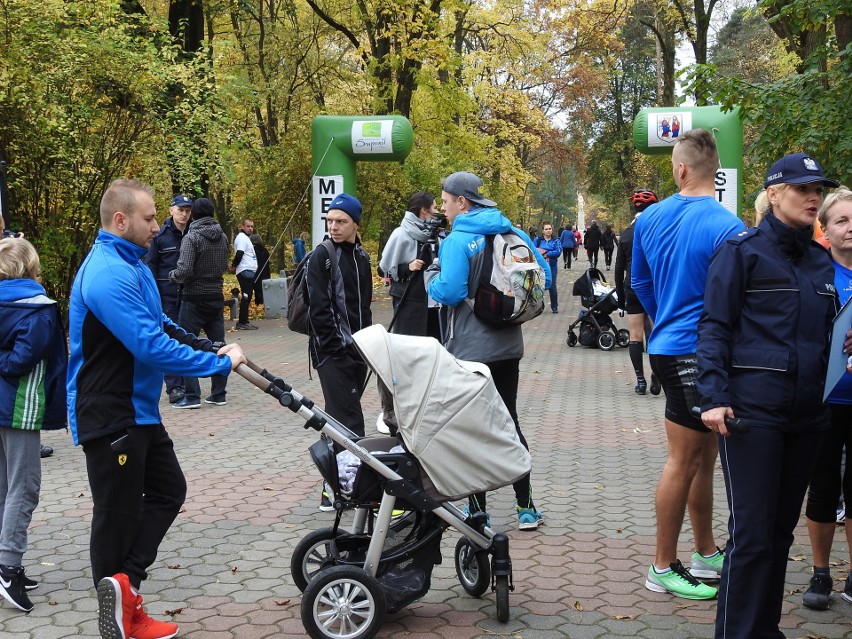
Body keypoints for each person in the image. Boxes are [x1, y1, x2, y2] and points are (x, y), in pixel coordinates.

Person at [67, 179, 246, 639]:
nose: (158, 225)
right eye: (149, 218)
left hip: (138, 410)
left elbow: (162, 323)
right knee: (116, 513)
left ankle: (124, 589)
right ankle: (118, 614)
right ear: (120, 220)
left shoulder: (134, 264)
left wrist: (210, 345)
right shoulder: (107, 272)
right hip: (109, 411)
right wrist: (214, 363)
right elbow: (149, 346)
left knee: (168, 490)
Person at [697, 154, 839, 638]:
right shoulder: (741, 251)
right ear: (774, 194)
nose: (813, 197)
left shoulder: (821, 260)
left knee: (779, 534)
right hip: (751, 414)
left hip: (807, 415)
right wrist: (712, 396)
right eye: (802, 189)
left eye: (818, 189)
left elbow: (823, 335)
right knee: (752, 536)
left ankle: (764, 629)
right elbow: (714, 326)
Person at [632, 128, 746, 600]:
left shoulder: (648, 218)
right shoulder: (729, 224)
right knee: (685, 459)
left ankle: (705, 549)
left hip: (667, 345)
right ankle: (663, 565)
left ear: (679, 169)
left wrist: (668, 317)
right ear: (713, 171)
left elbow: (639, 283)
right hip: (701, 353)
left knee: (703, 457)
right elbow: (740, 296)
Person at [425, 171, 551, 530]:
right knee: (508, 422)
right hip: (509, 346)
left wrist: (432, 276)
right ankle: (526, 507)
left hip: (469, 348)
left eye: (447, 201)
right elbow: (544, 279)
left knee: (472, 427)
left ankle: (477, 512)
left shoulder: (457, 240)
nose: (445, 208)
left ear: (462, 202)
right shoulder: (514, 233)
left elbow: (448, 292)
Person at [0, 238, 67, 612]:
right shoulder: (37, 308)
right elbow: (20, 360)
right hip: (20, 408)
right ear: (29, 266)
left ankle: (7, 563)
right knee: (24, 489)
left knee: (4, 486)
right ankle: (8, 569)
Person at [801, 186, 852, 610]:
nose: (850, 228)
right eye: (842, 221)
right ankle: (821, 574)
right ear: (825, 229)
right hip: (825, 398)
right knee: (822, 487)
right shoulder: (812, 270)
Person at [306, 193, 372, 439]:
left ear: (355, 223)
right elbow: (319, 309)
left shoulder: (361, 257)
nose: (333, 227)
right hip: (332, 353)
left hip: (359, 351)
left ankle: (337, 473)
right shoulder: (322, 255)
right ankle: (350, 473)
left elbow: (364, 309)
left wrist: (366, 347)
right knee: (349, 419)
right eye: (330, 220)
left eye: (341, 221)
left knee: (340, 415)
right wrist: (336, 350)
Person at [169, 197, 232, 409]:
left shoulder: (192, 237)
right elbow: (224, 264)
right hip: (215, 297)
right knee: (219, 346)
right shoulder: (222, 237)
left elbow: (184, 270)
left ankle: (192, 396)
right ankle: (218, 394)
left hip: (193, 299)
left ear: (193, 215)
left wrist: (173, 276)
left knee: (186, 345)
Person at [145, 194, 192, 404]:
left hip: (190, 296)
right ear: (171, 210)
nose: (184, 214)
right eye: (180, 210)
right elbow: (151, 265)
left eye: (187, 210)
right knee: (169, 340)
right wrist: (152, 293)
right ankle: (174, 386)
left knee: (187, 338)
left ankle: (189, 383)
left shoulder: (193, 234)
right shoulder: (160, 236)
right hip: (166, 296)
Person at [614, 191, 661, 396]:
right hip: (654, 286)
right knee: (656, 334)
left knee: (635, 335)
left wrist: (621, 299)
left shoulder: (626, 233)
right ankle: (657, 376)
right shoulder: (660, 230)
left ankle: (640, 381)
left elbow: (618, 268)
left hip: (631, 286)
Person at [378, 191, 443, 338]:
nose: (438, 212)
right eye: (435, 208)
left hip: (433, 304)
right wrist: (407, 267)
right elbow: (383, 270)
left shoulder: (436, 235)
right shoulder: (400, 234)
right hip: (408, 303)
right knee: (408, 349)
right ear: (424, 211)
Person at [231, 218, 258, 330]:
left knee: (248, 296)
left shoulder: (246, 238)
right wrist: (234, 265)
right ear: (242, 226)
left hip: (248, 270)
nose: (250, 228)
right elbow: (240, 253)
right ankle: (242, 322)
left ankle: (244, 320)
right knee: (246, 296)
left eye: (252, 226)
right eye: (248, 226)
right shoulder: (242, 238)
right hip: (245, 270)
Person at [535, 221, 562, 313]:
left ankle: (554, 307)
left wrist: (546, 254)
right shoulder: (538, 240)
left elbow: (558, 251)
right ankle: (537, 307)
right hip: (539, 267)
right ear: (542, 231)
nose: (548, 231)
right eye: (546, 229)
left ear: (552, 230)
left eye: (549, 229)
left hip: (552, 267)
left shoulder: (556, 240)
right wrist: (540, 255)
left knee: (552, 286)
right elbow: (532, 250)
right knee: (538, 286)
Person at [249, 234, 271, 306]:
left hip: (256, 272)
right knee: (265, 288)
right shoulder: (265, 250)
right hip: (265, 272)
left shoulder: (253, 251)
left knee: (258, 289)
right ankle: (265, 303)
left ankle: (259, 304)